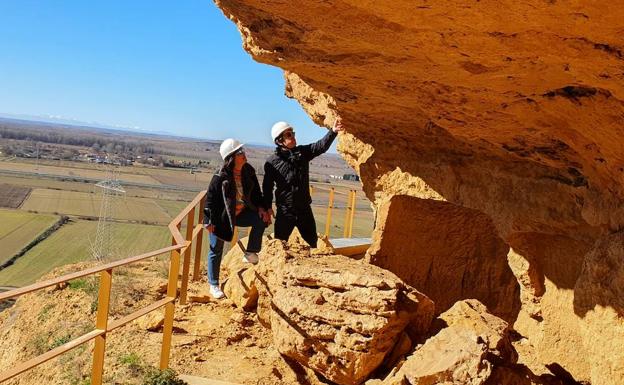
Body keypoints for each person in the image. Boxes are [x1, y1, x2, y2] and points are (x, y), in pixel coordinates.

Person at [262, 119, 344, 248]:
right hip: (285, 212)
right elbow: (267, 188)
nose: (293, 137)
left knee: (313, 243)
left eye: (293, 133)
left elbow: (320, 146)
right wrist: (267, 207)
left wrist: (332, 131)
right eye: (288, 135)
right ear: (279, 140)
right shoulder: (272, 162)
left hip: (304, 210)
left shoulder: (302, 153)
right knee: (280, 245)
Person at [203, 138, 268, 299]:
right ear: (231, 157)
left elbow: (257, 194)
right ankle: (213, 284)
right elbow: (210, 200)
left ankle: (251, 252)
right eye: (240, 152)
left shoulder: (248, 171)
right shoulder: (220, 177)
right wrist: (208, 221)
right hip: (222, 217)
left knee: (261, 220)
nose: (244, 154)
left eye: (243, 151)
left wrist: (262, 208)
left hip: (241, 214)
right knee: (215, 248)